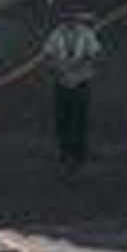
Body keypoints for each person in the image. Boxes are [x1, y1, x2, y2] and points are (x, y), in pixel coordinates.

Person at [42, 10, 102, 168]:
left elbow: (96, 54)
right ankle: (65, 152)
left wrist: (82, 66)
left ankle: (79, 152)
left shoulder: (86, 34)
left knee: (80, 120)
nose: (70, 22)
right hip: (62, 82)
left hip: (80, 82)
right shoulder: (56, 35)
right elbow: (47, 55)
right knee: (63, 120)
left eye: (72, 19)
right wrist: (56, 69)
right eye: (67, 19)